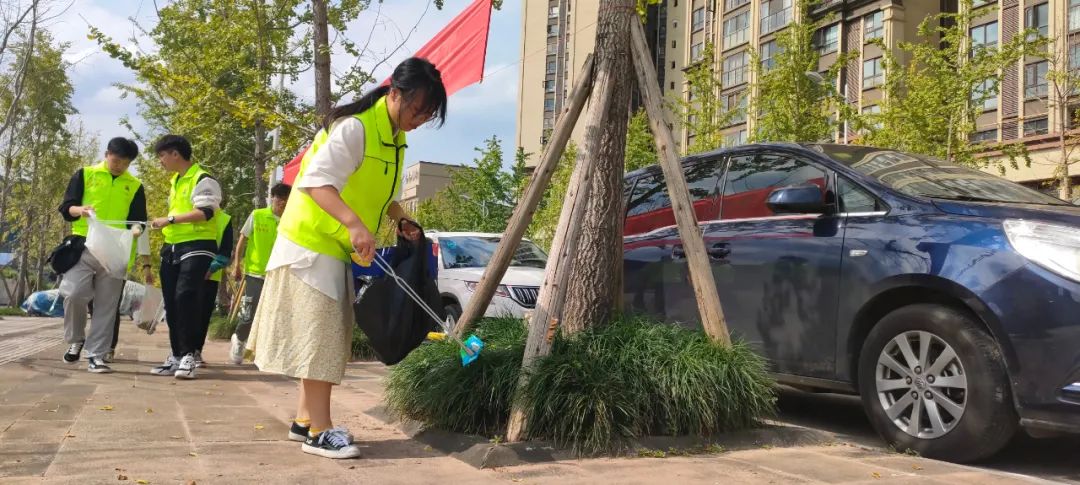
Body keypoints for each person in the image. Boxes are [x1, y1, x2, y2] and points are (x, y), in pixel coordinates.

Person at [246, 57, 444, 459]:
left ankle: (304, 421)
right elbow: (316, 182)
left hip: (336, 248)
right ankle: (322, 431)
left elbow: (382, 197)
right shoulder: (355, 129)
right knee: (323, 339)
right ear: (395, 93)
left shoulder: (395, 138)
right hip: (310, 243)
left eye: (427, 114)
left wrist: (402, 219)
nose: (419, 119)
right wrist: (354, 224)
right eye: (416, 108)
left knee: (326, 335)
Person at [57, 137, 153, 373]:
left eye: (126, 163)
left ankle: (97, 355)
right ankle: (76, 339)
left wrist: (138, 230)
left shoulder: (135, 185)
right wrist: (80, 210)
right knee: (73, 293)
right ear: (107, 153)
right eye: (116, 159)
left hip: (116, 251)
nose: (119, 165)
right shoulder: (85, 174)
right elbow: (66, 207)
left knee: (107, 306)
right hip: (83, 246)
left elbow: (138, 220)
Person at [149, 135, 223, 380]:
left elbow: (205, 212)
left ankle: (190, 355)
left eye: (161, 156)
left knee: (186, 296)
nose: (160, 162)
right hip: (172, 246)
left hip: (198, 244)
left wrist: (168, 220)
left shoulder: (203, 179)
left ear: (175, 154)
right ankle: (177, 355)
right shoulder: (176, 182)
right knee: (171, 302)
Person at [228, 182, 290, 365]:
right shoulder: (257, 215)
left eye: (286, 200)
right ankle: (239, 339)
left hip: (278, 274)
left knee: (271, 315)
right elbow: (242, 240)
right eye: (279, 199)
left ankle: (261, 352)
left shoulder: (290, 221)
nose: (282, 203)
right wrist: (237, 264)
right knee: (249, 313)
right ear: (273, 198)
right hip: (255, 273)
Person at [191, 205, 232, 368]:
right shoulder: (188, 214)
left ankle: (195, 351)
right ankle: (180, 351)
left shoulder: (224, 219)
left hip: (210, 275)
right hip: (187, 271)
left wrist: (211, 268)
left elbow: (225, 251)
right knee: (184, 312)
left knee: (202, 315)